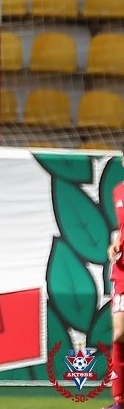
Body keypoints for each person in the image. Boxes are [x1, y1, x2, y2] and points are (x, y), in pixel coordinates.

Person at [105, 145, 124, 409]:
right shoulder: (118, 191)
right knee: (119, 333)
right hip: (122, 270)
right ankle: (119, 400)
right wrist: (115, 244)